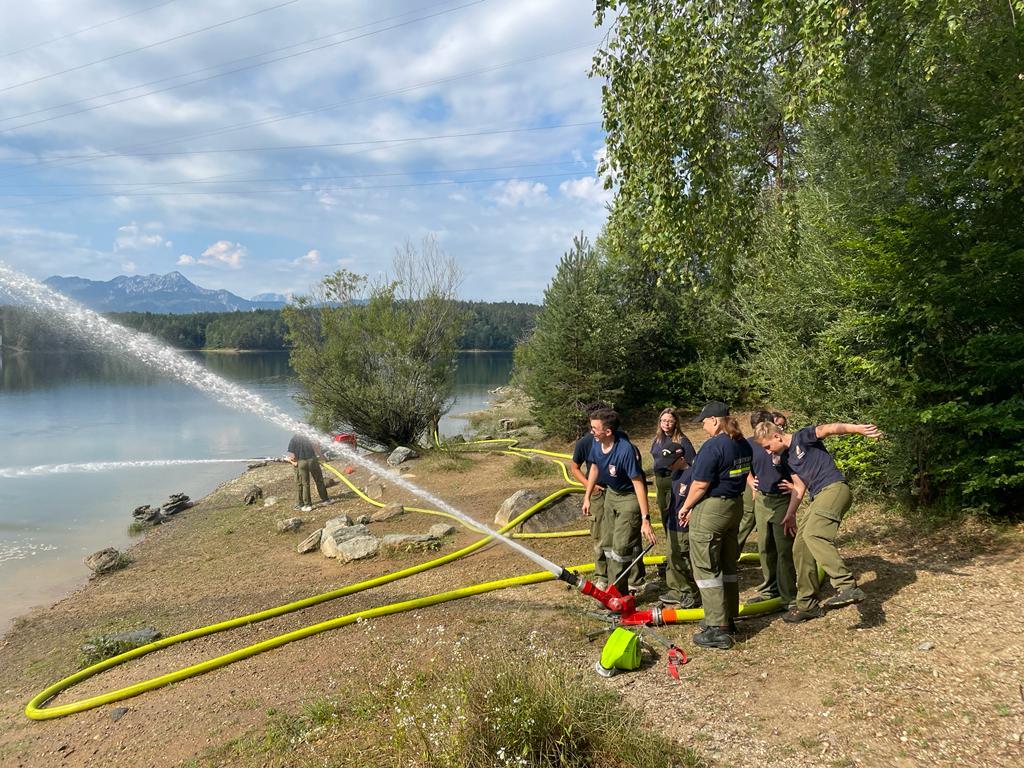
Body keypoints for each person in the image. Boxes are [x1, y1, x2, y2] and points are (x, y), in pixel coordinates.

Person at [754, 420, 882, 622]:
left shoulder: (802, 437)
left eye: (768, 446)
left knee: (814, 534)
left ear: (777, 436)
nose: (768, 452)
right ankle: (807, 605)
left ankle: (846, 586)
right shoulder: (787, 457)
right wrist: (790, 514)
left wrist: (858, 429)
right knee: (800, 546)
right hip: (818, 495)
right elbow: (799, 487)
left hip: (834, 488)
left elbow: (829, 429)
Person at [677, 401, 752, 650]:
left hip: (713, 509)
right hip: (735, 506)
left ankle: (717, 628)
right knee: (727, 564)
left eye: (704, 422)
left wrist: (686, 506)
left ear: (715, 420)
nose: (703, 427)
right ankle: (728, 618)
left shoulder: (713, 446)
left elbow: (700, 484)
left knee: (706, 567)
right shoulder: (742, 443)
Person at [582, 408, 656, 593]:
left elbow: (639, 484)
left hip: (629, 498)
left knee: (621, 548)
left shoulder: (625, 451)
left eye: (595, 428)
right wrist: (587, 497)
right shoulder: (596, 443)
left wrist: (645, 519)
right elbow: (594, 468)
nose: (591, 432)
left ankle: (618, 593)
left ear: (608, 432)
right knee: (607, 543)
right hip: (611, 495)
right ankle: (610, 584)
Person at [745, 418, 796, 609]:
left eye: (767, 446)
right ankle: (770, 589)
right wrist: (751, 481)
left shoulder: (788, 447)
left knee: (784, 548)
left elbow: (805, 473)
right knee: (765, 546)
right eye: (762, 447)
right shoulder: (750, 444)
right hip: (762, 500)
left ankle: (789, 595)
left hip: (782, 500)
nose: (767, 451)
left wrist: (795, 487)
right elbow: (741, 464)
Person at [650, 408, 694, 586]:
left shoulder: (682, 441)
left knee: (675, 517)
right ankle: (671, 553)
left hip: (674, 480)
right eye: (663, 421)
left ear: (676, 422)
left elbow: (692, 465)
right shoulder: (658, 439)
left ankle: (679, 555)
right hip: (660, 481)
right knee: (665, 517)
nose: (666, 424)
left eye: (670, 421)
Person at [571, 402, 612, 588]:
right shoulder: (585, 442)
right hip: (598, 494)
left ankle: (634, 578)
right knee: (599, 535)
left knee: (624, 534)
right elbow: (574, 468)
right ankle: (602, 577)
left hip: (618, 492)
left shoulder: (618, 437)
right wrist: (590, 487)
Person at [655, 442, 700, 608]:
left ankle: (691, 593)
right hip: (673, 523)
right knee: (672, 557)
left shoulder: (692, 475)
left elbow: (701, 496)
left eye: (670, 463)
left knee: (682, 559)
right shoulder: (675, 474)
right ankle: (677, 590)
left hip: (684, 527)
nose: (668, 467)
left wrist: (691, 511)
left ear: (681, 459)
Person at [738, 410, 774, 555]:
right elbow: (743, 465)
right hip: (753, 486)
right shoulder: (747, 444)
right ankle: (730, 554)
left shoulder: (776, 440)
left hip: (773, 489)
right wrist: (752, 482)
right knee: (748, 518)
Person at [287, 433, 329, 512]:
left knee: (305, 484)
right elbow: (316, 447)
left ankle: (308, 505)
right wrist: (321, 457)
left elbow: (292, 455)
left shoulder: (294, 439)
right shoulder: (308, 435)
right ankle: (326, 500)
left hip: (302, 462)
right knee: (319, 480)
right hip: (312, 460)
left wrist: (292, 461)